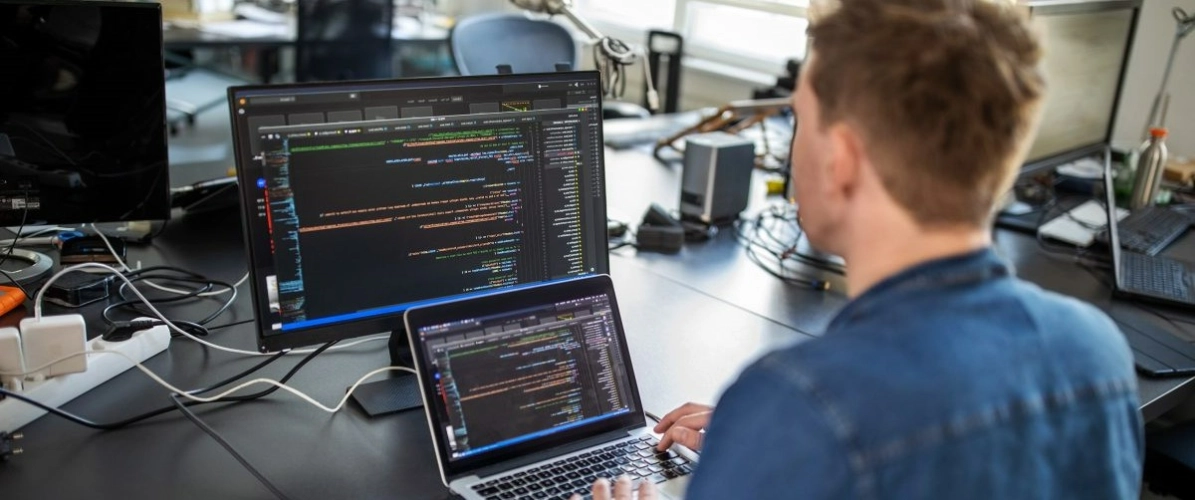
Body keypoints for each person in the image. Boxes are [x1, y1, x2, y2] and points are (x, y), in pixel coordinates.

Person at [577, 0, 1143, 498]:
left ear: (842, 158)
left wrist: (777, 431)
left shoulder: (802, 403)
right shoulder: (1097, 352)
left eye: (800, 119)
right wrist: (767, 446)